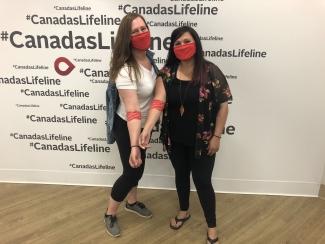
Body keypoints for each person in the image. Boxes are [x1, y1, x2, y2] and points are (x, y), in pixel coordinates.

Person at [139, 26, 232, 244]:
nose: (182, 46)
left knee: (202, 181)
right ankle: (184, 211)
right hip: (175, 140)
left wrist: (217, 137)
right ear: (172, 47)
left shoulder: (210, 71)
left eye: (187, 41)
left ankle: (211, 225)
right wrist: (147, 128)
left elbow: (223, 106)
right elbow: (158, 101)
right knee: (181, 176)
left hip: (203, 141)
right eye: (177, 43)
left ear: (197, 43)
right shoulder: (166, 73)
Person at [104, 13, 158, 237]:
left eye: (143, 28)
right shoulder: (125, 68)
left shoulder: (150, 58)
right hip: (127, 124)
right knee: (131, 173)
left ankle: (132, 202)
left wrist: (148, 128)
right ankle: (110, 213)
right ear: (127, 38)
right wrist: (135, 145)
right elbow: (133, 109)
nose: (141, 34)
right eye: (134, 31)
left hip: (144, 125)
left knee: (138, 170)